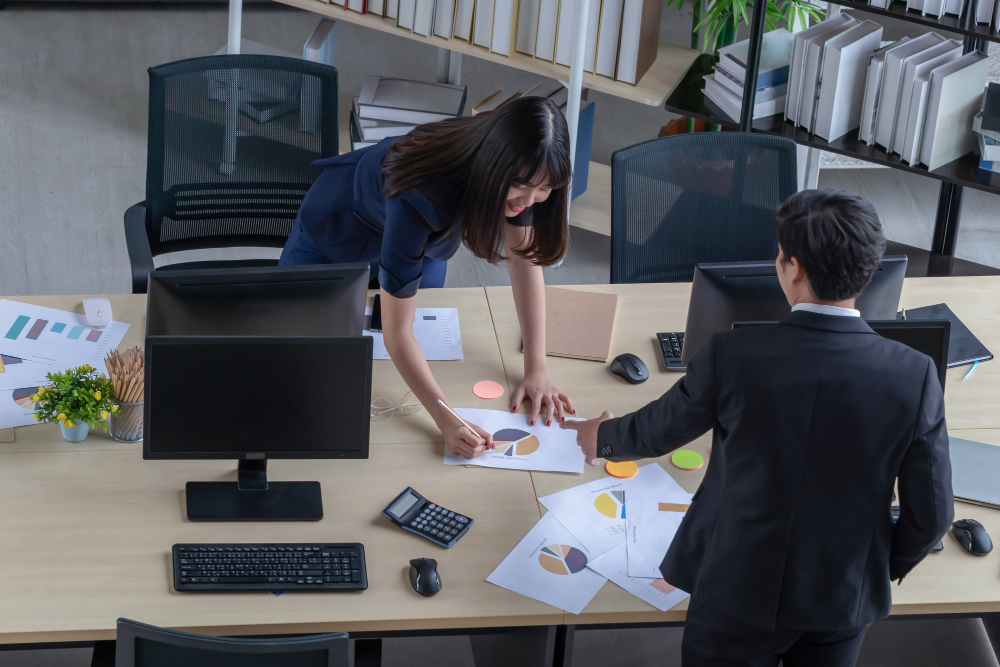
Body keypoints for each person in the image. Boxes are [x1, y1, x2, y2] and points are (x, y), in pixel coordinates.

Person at [562, 189, 953, 667]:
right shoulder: (915, 376)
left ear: (794, 268)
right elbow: (932, 515)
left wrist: (600, 436)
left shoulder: (735, 356)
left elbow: (662, 428)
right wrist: (869, 565)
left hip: (734, 588)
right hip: (840, 600)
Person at [280, 96, 575, 458]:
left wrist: (537, 369)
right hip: (339, 229)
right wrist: (448, 419)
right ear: (498, 165)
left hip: (425, 237)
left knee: (428, 348)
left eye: (544, 190)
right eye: (522, 186)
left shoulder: (511, 169)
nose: (529, 201)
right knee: (297, 351)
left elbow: (524, 262)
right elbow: (397, 334)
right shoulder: (420, 195)